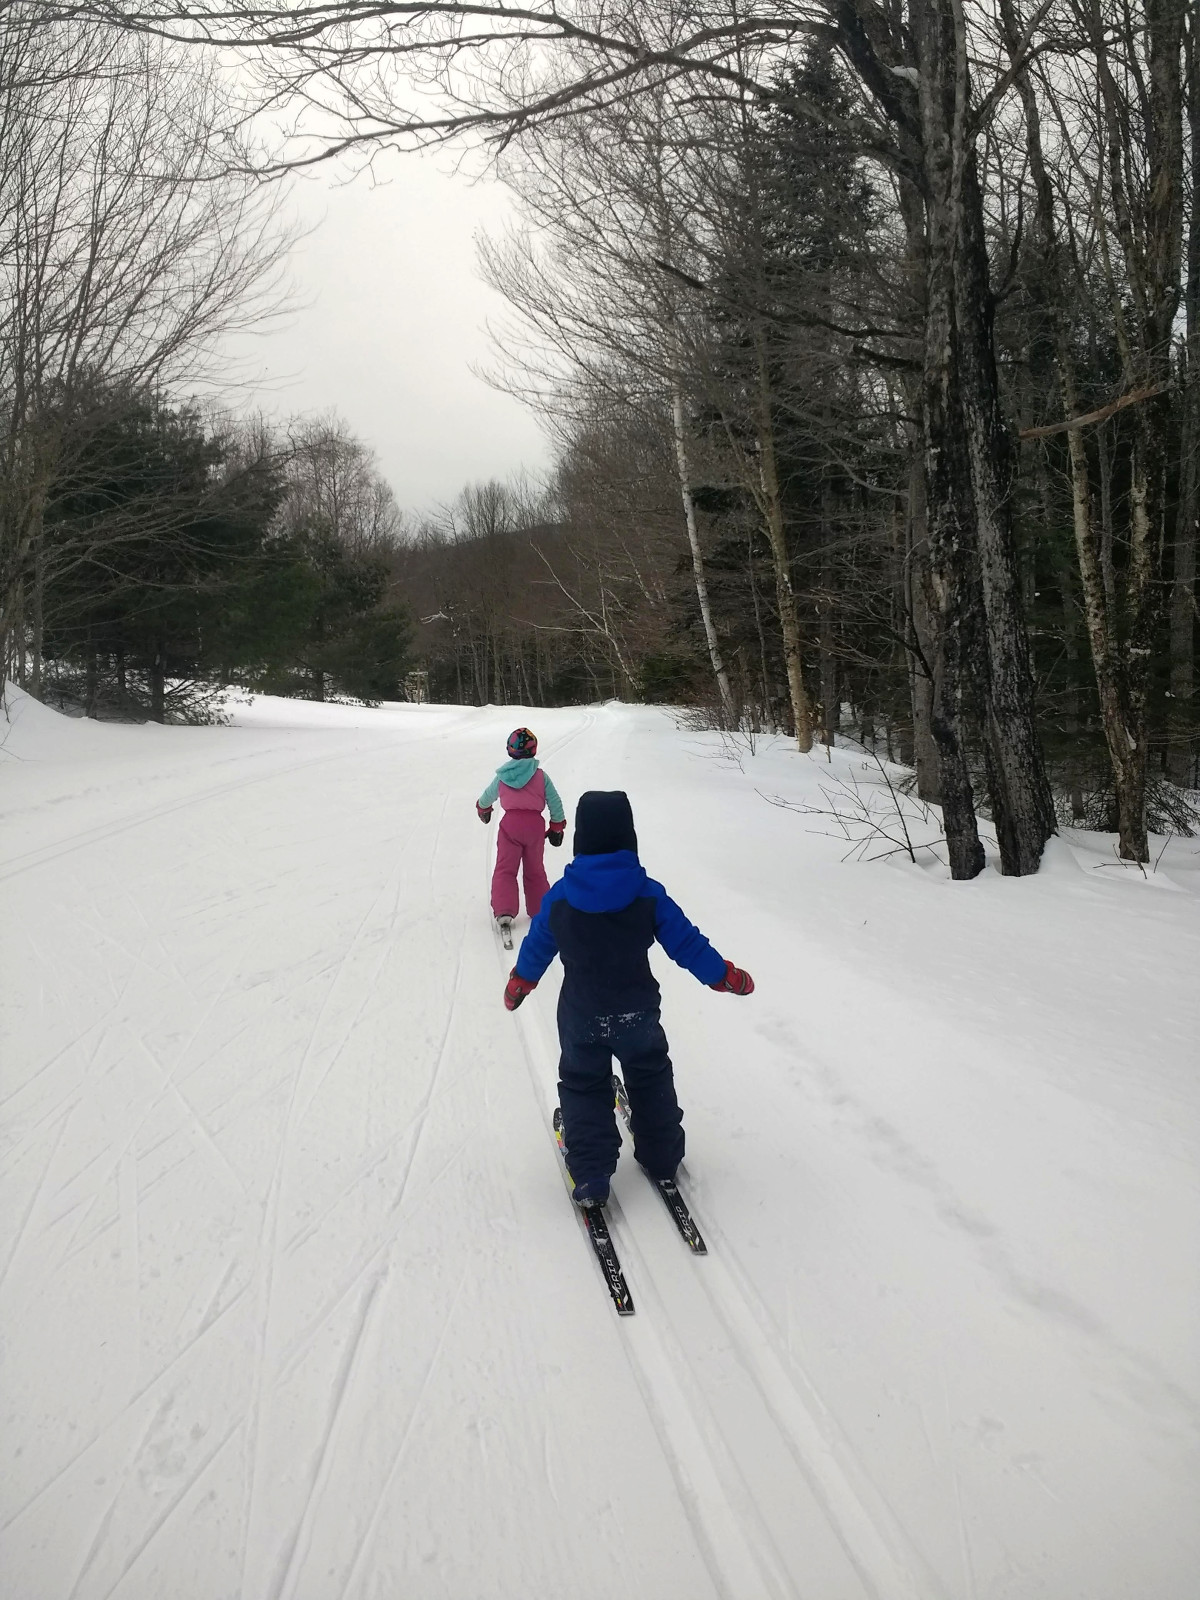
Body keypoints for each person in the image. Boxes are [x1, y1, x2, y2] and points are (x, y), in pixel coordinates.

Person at [502, 790, 754, 1206]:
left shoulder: (561, 896)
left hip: (582, 1014)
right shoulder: (646, 892)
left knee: (584, 1084)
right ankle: (662, 1156)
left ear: (581, 839)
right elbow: (686, 942)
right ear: (629, 837)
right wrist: (723, 976)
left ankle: (591, 1174)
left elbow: (538, 945)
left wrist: (521, 982)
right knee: (650, 1074)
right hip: (637, 1011)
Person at [477, 726, 567, 929]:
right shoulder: (541, 776)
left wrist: (483, 808)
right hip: (534, 828)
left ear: (510, 750)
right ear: (534, 749)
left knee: (505, 868)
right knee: (535, 870)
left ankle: (504, 910)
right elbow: (555, 801)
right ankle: (541, 909)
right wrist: (556, 826)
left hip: (510, 827)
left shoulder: (503, 776)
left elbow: (487, 797)